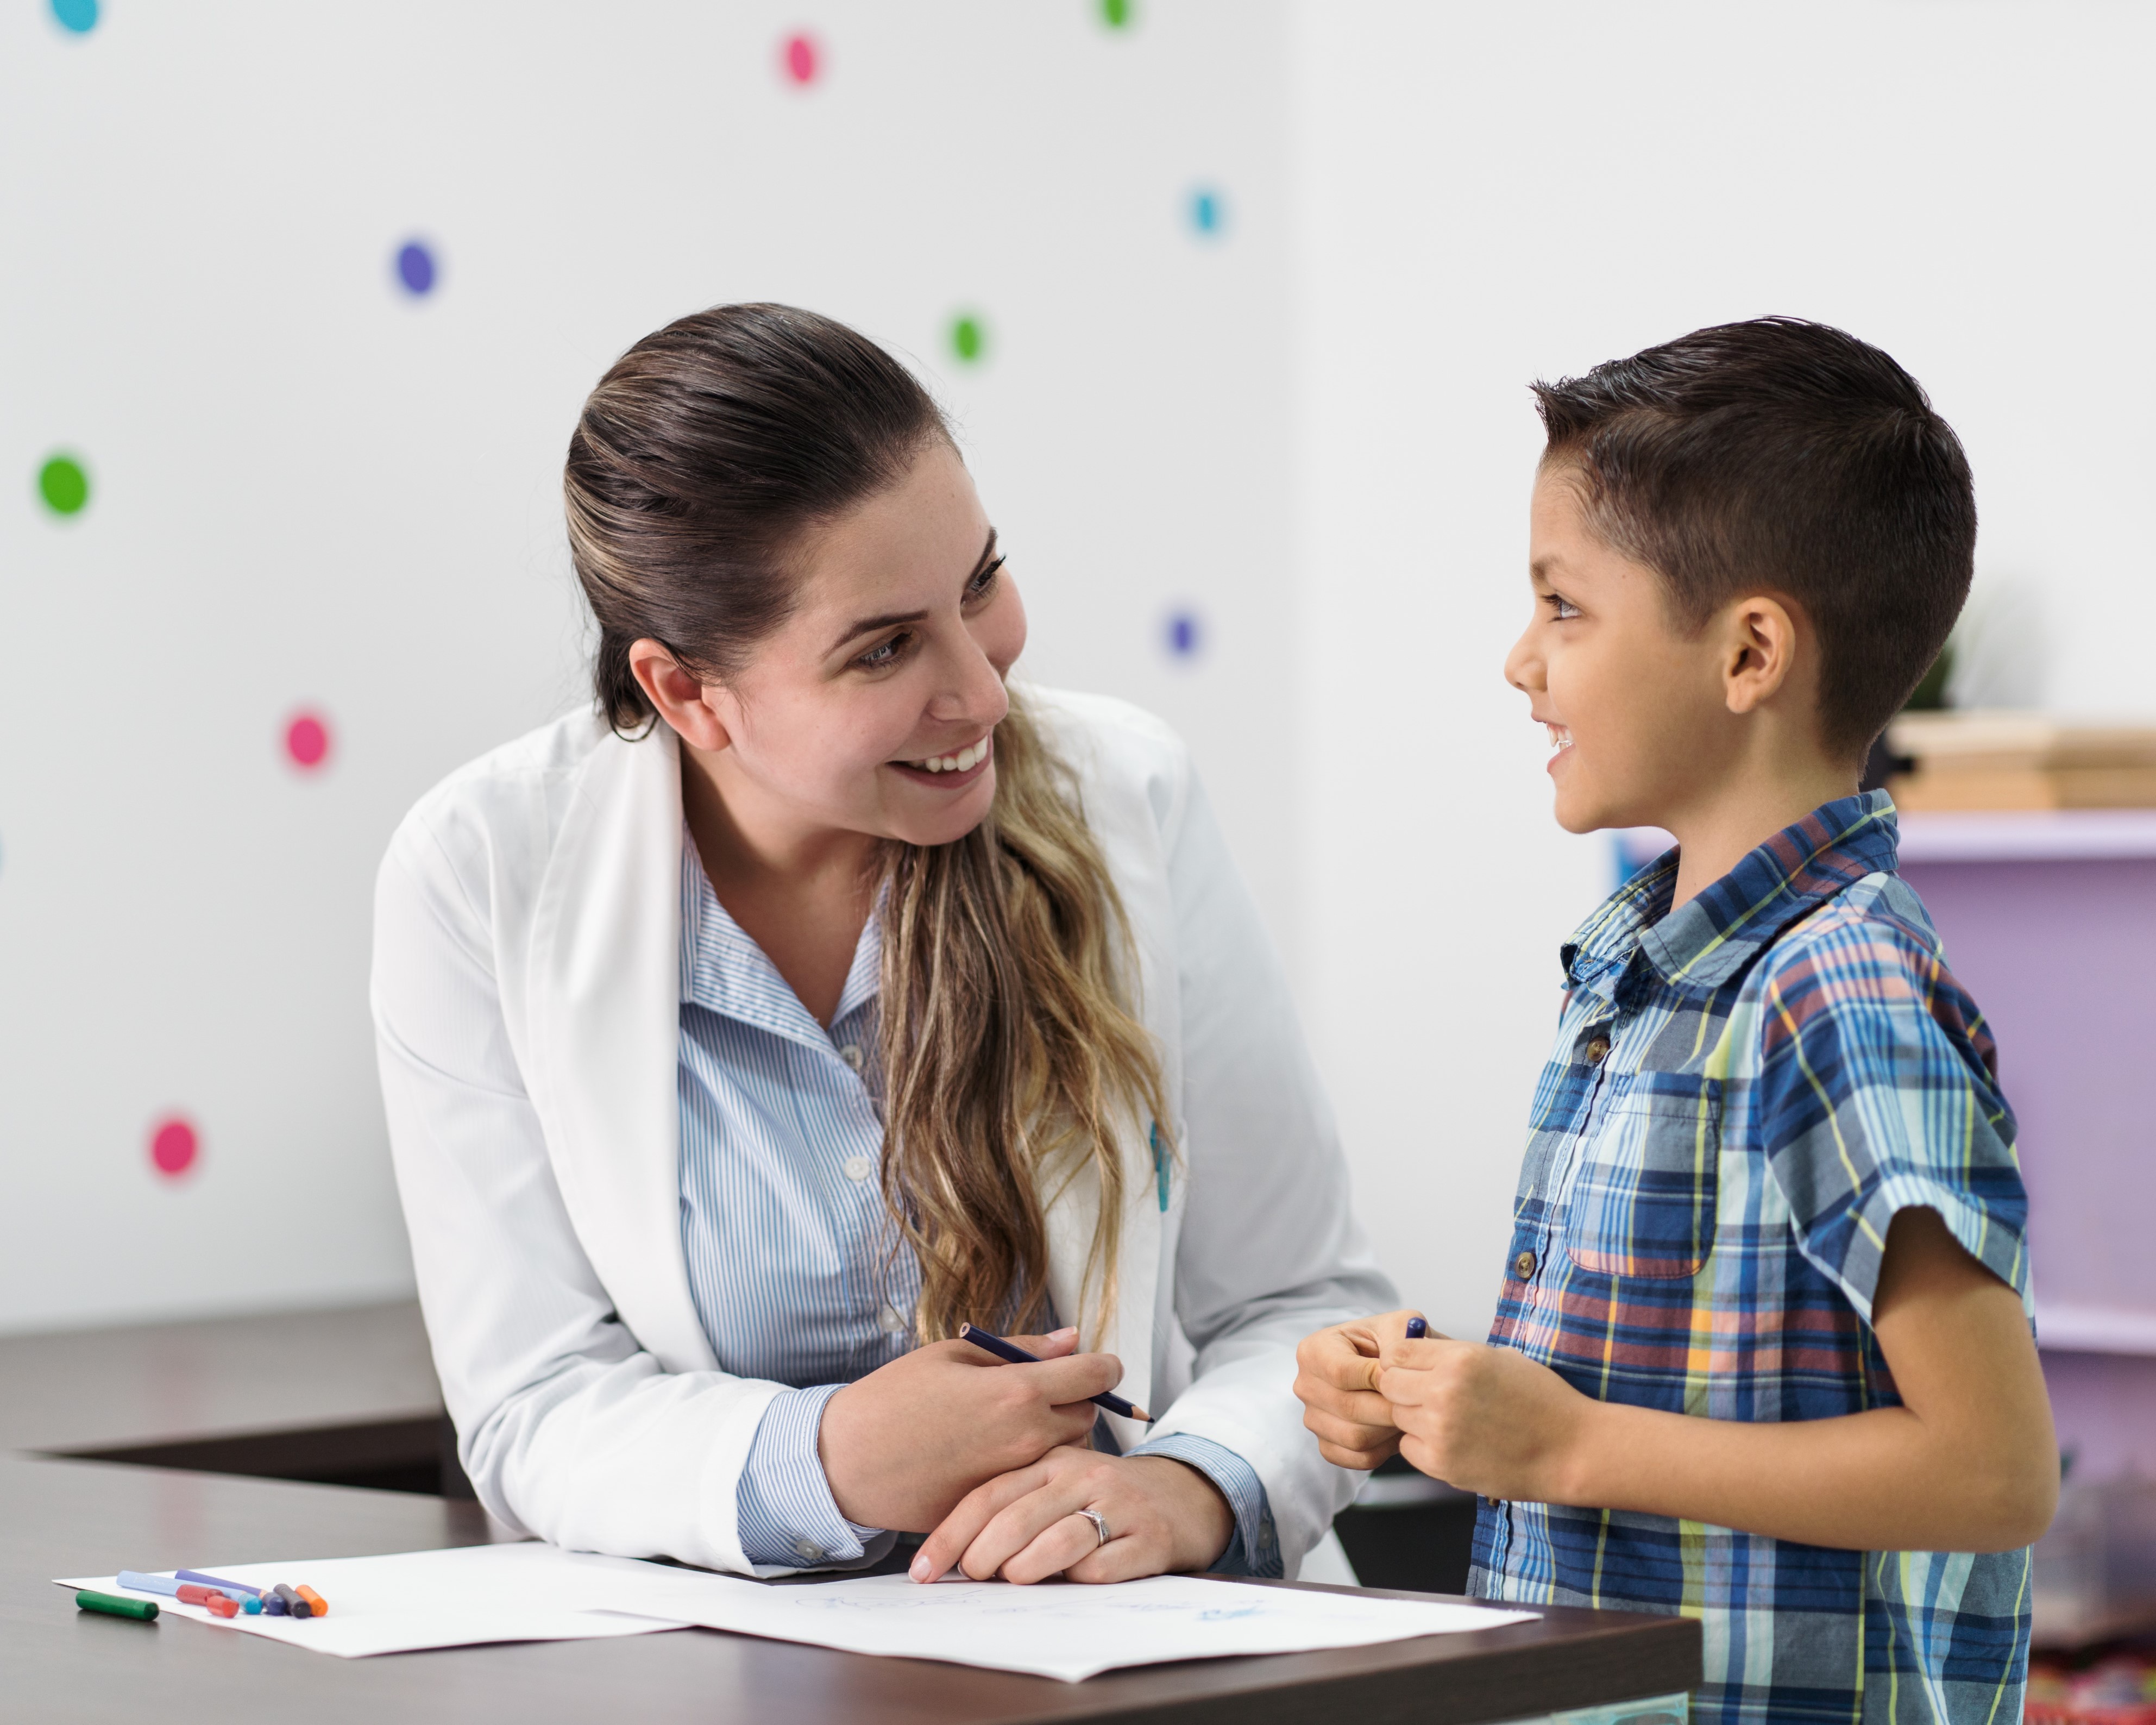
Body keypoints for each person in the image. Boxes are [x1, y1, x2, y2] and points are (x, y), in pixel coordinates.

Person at [372, 302, 1392, 1586]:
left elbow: (1308, 1308)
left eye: (978, 583)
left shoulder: (1126, 795)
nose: (981, 689)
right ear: (684, 693)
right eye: (885, 648)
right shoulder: (475, 872)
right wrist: (832, 1456)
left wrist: (1187, 1489)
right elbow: (531, 1402)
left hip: (1128, 1648)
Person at [1293, 319, 2057, 1723]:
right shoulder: (1645, 976)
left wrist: (1571, 1448)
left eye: (1564, 608)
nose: (1519, 661)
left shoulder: (1839, 993)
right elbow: (1661, 1383)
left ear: (1749, 651)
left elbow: (1992, 1473)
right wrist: (1432, 1400)